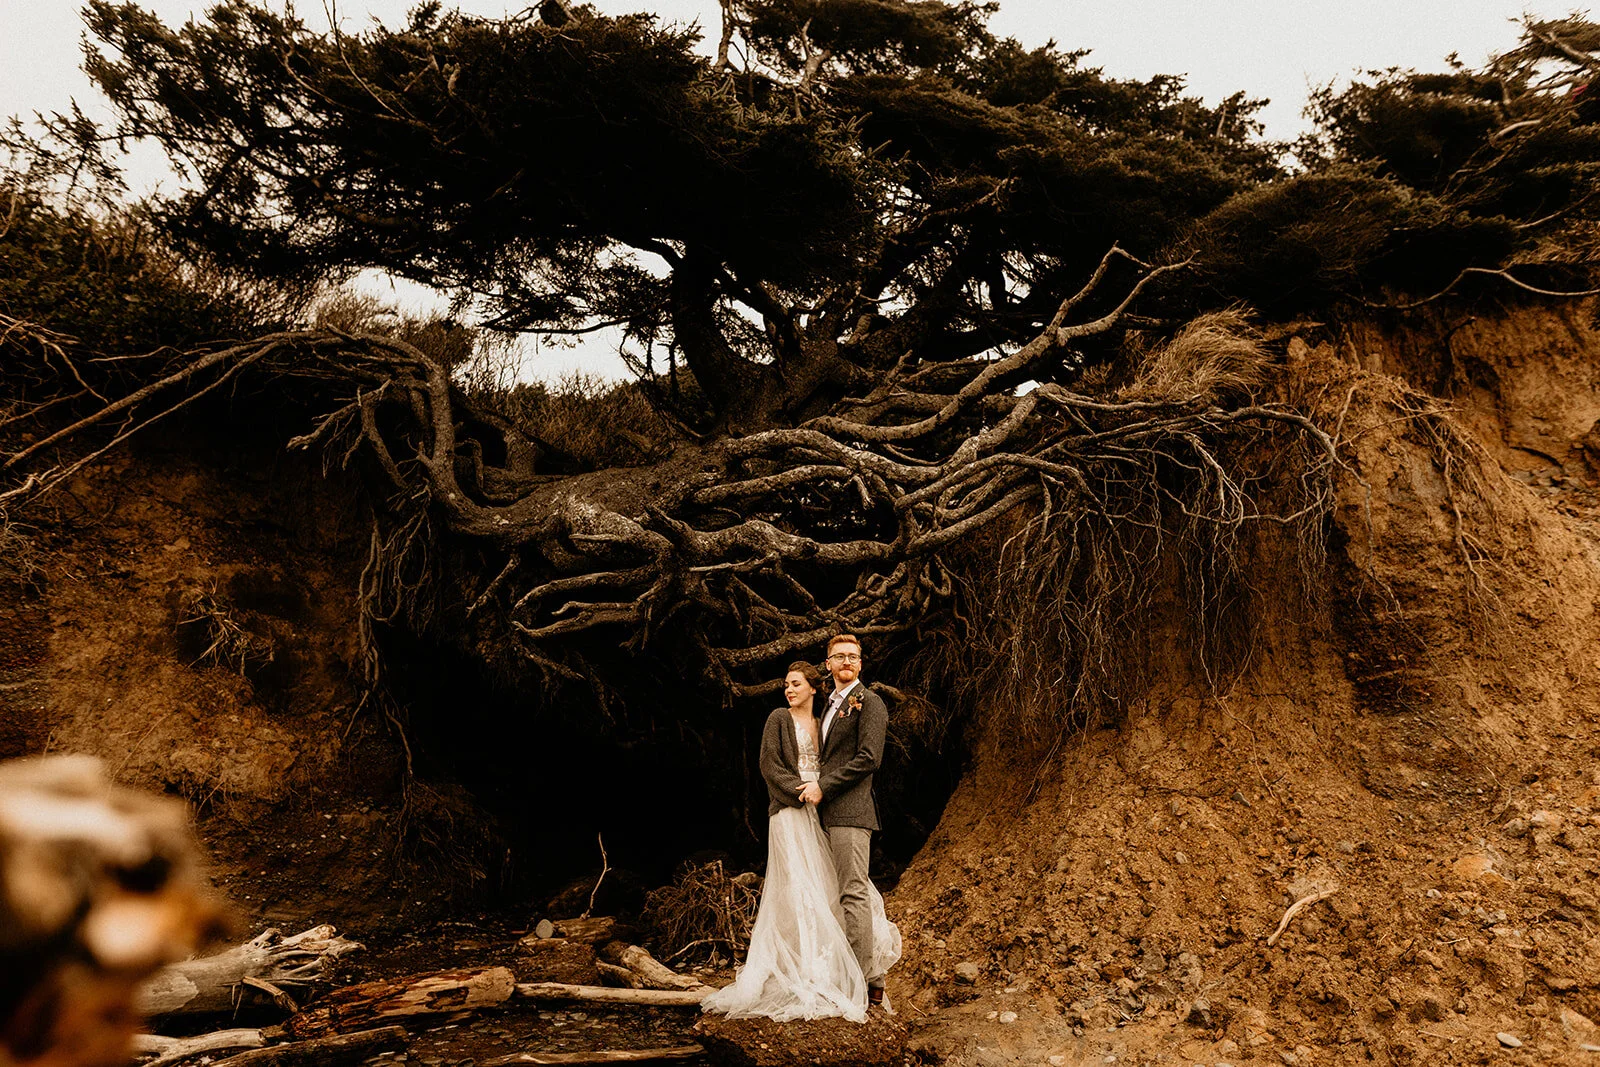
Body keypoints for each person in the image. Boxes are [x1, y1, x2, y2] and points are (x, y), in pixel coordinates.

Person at [700, 661, 898, 1022]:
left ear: (812, 687)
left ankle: (830, 969)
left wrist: (819, 793)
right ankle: (797, 967)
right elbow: (768, 765)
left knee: (824, 886)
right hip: (791, 811)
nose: (788, 690)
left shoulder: (824, 721)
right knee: (795, 887)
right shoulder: (778, 718)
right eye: (786, 685)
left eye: (795, 684)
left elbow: (842, 762)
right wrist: (800, 793)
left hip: (819, 810)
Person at [813, 633, 896, 1006]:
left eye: (853, 657)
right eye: (839, 656)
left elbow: (868, 759)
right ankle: (864, 976)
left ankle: (861, 981)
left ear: (860, 665)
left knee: (853, 892)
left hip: (851, 811)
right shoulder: (828, 707)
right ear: (827, 664)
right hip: (828, 813)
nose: (846, 661)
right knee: (842, 893)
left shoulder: (870, 703)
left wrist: (822, 786)